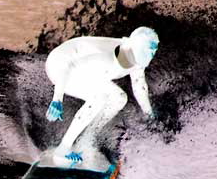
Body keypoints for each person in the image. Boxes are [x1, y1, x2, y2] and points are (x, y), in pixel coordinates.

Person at [44, 26, 159, 171]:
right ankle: (62, 151)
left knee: (119, 98)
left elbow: (139, 86)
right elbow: (66, 66)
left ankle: (86, 140)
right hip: (59, 67)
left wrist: (150, 116)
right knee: (99, 98)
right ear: (138, 47)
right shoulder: (105, 55)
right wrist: (57, 100)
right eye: (151, 49)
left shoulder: (136, 57)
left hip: (83, 69)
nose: (153, 53)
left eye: (155, 49)